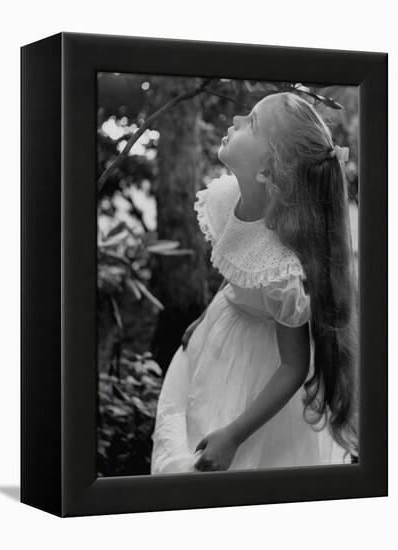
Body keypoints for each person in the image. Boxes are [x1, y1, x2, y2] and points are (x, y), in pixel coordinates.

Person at [150, 92, 359, 474]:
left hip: (258, 367)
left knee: (229, 467)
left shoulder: (282, 267)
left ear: (268, 169)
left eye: (252, 123)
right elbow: (239, 269)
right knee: (188, 421)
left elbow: (293, 366)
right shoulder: (227, 197)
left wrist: (234, 434)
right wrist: (207, 318)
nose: (236, 119)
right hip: (221, 328)